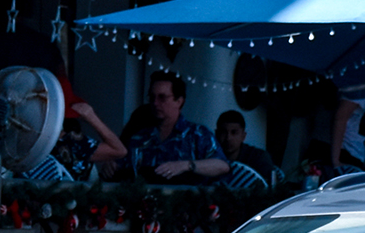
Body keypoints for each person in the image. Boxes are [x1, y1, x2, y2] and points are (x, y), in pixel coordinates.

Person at [86, 72, 226, 184]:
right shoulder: (139, 138)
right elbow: (120, 169)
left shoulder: (198, 135)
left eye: (162, 98)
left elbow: (222, 166)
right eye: (152, 97)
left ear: (179, 101)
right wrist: (111, 167)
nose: (155, 103)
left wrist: (187, 166)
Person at [215, 110, 279, 190]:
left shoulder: (259, 157)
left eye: (234, 132)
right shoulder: (207, 156)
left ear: (243, 136)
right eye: (223, 132)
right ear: (216, 134)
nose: (228, 138)